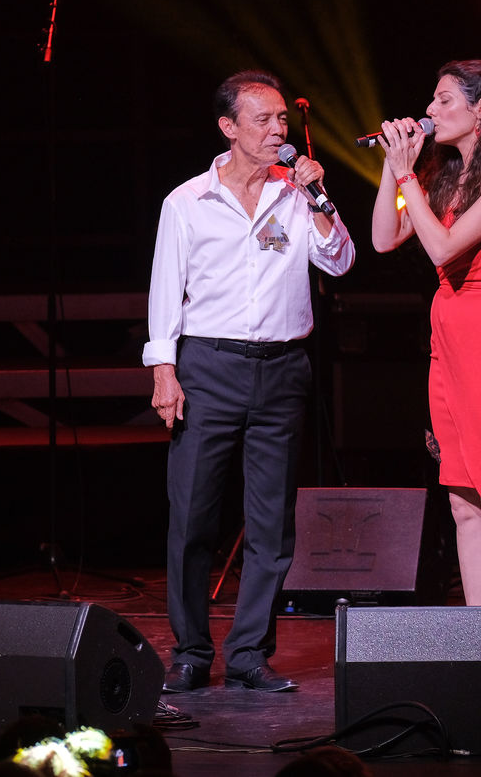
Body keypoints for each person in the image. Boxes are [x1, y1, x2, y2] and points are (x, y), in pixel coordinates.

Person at [143, 69, 356, 693]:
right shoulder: (188, 201)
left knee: (271, 524)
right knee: (193, 517)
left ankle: (248, 654)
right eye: (263, 120)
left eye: (282, 119)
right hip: (208, 367)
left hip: (282, 369)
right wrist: (164, 371)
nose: (277, 130)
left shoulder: (296, 195)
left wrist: (320, 197)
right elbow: (166, 289)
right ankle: (190, 651)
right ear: (228, 128)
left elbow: (340, 261)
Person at [371, 59, 481, 607]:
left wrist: (407, 175)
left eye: (444, 99)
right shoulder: (449, 176)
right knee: (463, 503)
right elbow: (383, 238)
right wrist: (392, 167)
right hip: (448, 343)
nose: (430, 110)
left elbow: (443, 249)